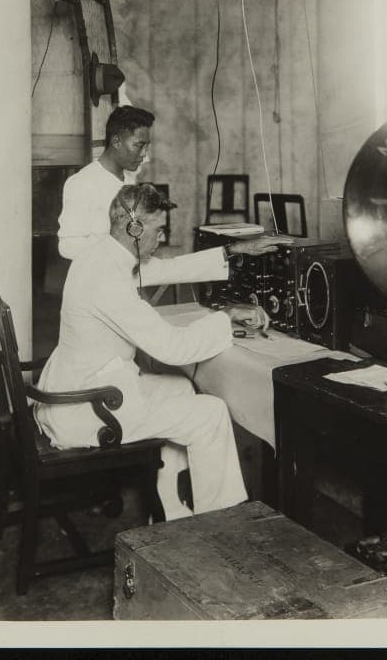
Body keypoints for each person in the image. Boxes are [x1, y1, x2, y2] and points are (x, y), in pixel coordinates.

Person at [36, 184, 271, 520]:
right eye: (158, 230)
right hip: (83, 410)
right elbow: (173, 348)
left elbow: (163, 269)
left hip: (77, 389)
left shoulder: (101, 254)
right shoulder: (109, 280)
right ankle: (221, 527)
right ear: (134, 228)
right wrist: (226, 317)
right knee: (211, 412)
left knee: (182, 387)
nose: (161, 240)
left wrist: (233, 251)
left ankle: (168, 508)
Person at [57, 104, 288, 283]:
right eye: (139, 145)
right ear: (116, 141)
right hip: (100, 286)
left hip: (129, 280)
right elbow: (67, 246)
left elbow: (160, 268)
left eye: (147, 146)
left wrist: (236, 249)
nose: (145, 155)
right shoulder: (81, 183)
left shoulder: (128, 180)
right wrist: (121, 252)